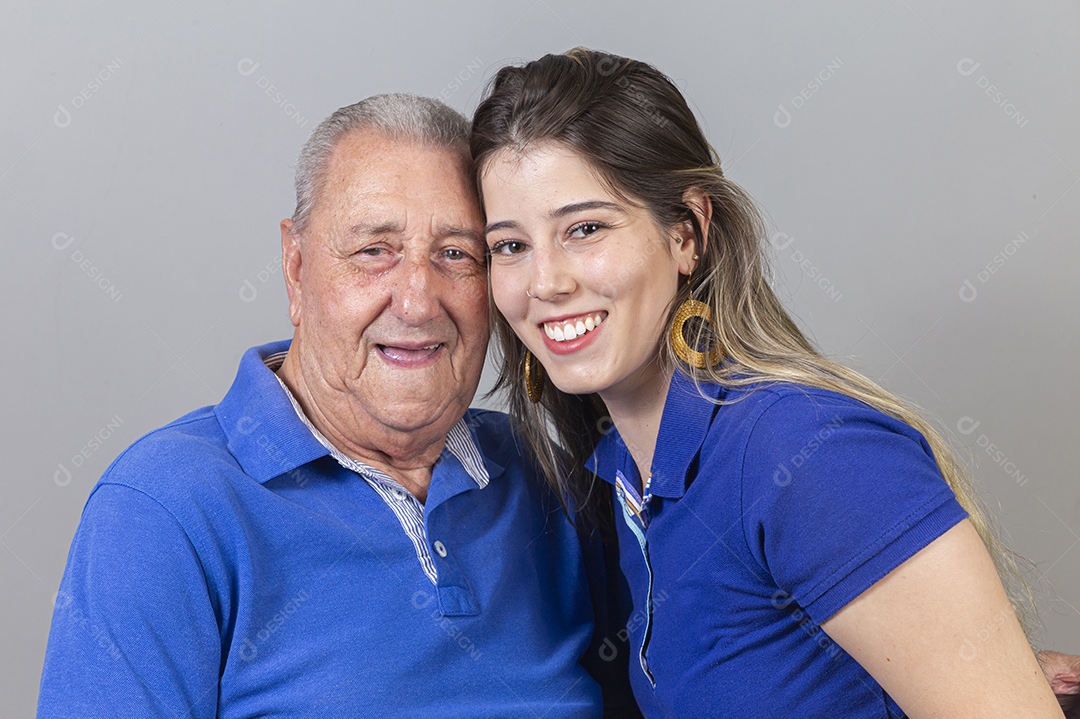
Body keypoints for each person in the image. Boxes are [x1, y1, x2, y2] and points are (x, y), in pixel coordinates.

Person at [473, 47, 1070, 717]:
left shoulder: (806, 451)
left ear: (687, 233)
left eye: (585, 228)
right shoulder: (623, 479)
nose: (546, 282)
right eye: (511, 246)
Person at [37, 94, 618, 718]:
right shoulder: (164, 509)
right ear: (296, 266)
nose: (419, 302)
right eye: (374, 250)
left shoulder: (546, 477)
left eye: (457, 253)